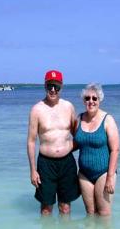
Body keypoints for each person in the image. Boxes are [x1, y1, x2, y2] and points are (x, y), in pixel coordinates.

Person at [27, 70, 80, 215]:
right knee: (46, 208)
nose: (52, 90)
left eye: (56, 86)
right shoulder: (36, 110)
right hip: (46, 164)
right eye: (49, 85)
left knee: (65, 207)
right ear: (45, 86)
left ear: (61, 87)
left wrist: (69, 148)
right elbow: (31, 142)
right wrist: (33, 170)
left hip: (67, 163)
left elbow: (78, 135)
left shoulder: (69, 107)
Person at [74, 83, 120, 216]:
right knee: (90, 213)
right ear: (83, 100)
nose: (91, 101)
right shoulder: (79, 118)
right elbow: (75, 143)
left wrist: (110, 177)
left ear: (99, 99)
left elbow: (115, 150)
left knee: (104, 214)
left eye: (94, 98)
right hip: (84, 174)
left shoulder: (108, 120)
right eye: (87, 98)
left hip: (104, 173)